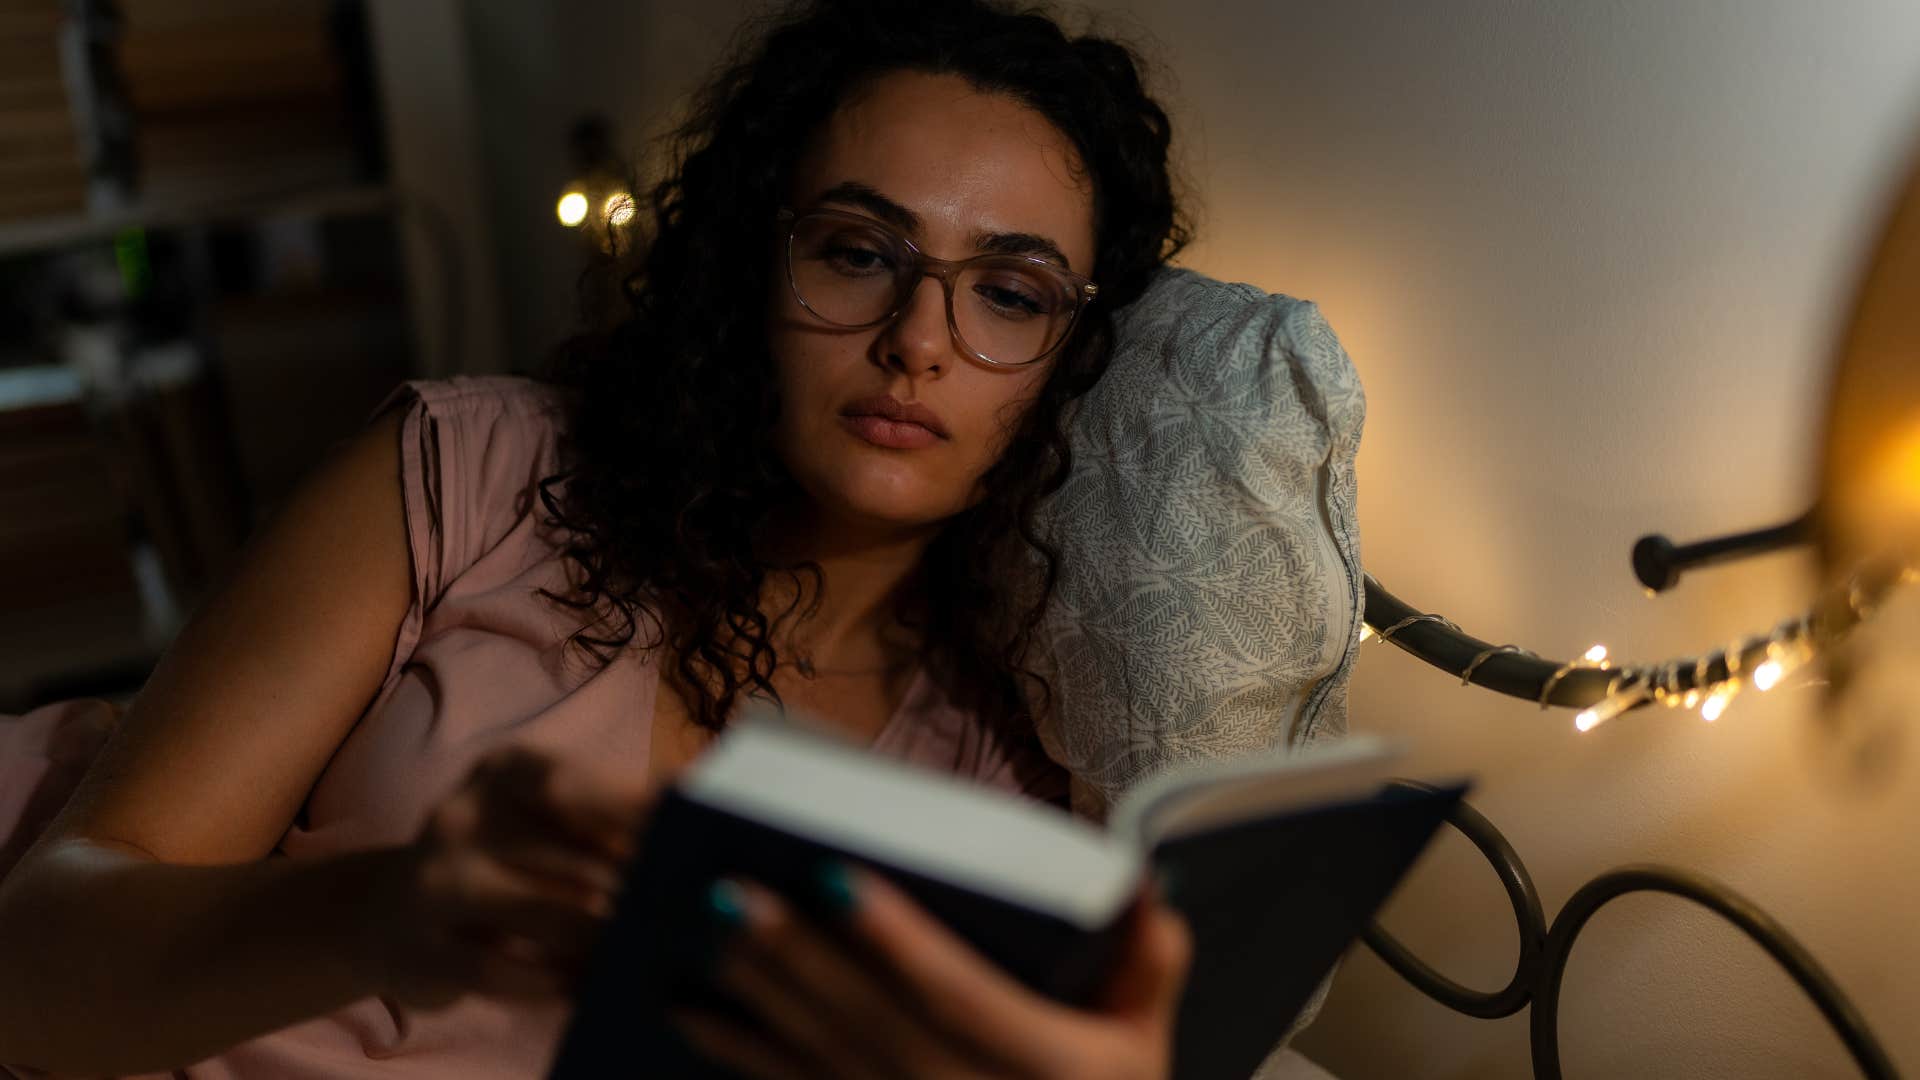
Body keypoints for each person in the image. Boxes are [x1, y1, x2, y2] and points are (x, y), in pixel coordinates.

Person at [0, 1, 1197, 1076]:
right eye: (857, 252)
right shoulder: (473, 473)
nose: (918, 340)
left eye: (1010, 292)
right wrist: (378, 911)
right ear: (749, 260)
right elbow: (37, 966)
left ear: (1069, 361)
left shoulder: (998, 776)